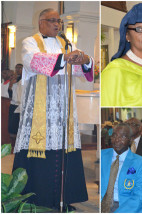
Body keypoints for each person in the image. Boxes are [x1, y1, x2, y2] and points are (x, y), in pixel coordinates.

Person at [12, 8, 93, 210]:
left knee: (63, 150)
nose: (57, 24)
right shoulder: (30, 42)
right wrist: (65, 58)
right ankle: (36, 200)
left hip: (63, 109)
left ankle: (63, 199)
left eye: (59, 21)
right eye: (52, 20)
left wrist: (84, 60)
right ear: (41, 23)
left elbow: (80, 67)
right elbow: (33, 62)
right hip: (40, 110)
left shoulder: (65, 44)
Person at [101, 123, 142, 213]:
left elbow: (141, 196)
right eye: (114, 136)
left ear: (131, 140)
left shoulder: (140, 162)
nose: (117, 140)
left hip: (126, 206)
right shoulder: (102, 155)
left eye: (123, 137)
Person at [8, 64, 23, 136]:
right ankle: (12, 144)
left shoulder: (25, 79)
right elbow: (10, 94)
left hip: (22, 105)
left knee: (20, 127)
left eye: (20, 68)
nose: (18, 69)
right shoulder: (13, 79)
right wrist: (11, 84)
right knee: (12, 127)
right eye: (16, 68)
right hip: (13, 105)